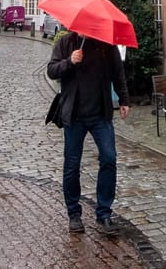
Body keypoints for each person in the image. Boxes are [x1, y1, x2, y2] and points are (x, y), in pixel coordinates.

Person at [46, 30, 130, 235]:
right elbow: (52, 71)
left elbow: (118, 73)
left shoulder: (106, 46)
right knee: (72, 164)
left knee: (109, 158)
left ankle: (104, 213)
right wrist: (70, 61)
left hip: (100, 114)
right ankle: (74, 213)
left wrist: (124, 99)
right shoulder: (66, 43)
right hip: (74, 115)